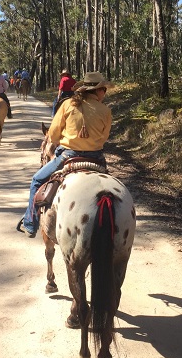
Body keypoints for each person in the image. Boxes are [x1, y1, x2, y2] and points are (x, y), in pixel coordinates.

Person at [17, 72, 114, 238]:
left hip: (68, 156)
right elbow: (104, 138)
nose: (104, 93)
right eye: (103, 89)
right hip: (96, 157)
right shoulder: (105, 111)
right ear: (98, 91)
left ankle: (30, 224)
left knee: (37, 181)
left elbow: (53, 136)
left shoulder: (67, 105)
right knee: (110, 188)